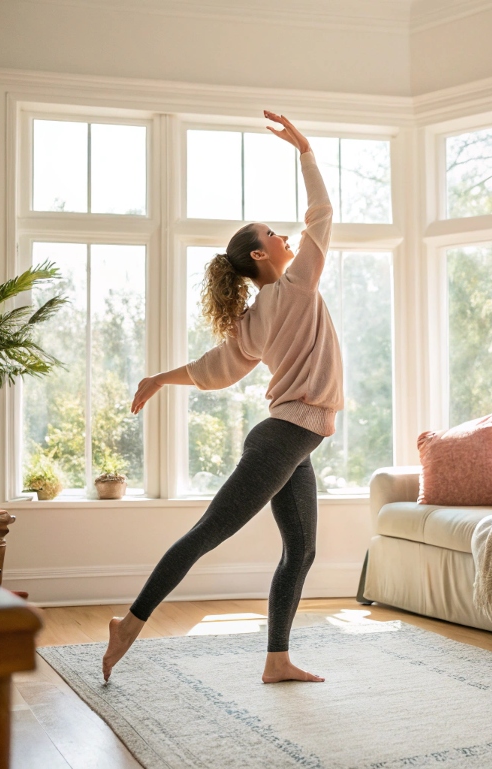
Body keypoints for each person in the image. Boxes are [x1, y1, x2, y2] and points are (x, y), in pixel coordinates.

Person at [102, 111, 343, 684]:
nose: (285, 237)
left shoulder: (253, 319)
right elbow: (322, 213)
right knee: (208, 533)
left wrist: (160, 379)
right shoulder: (296, 284)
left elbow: (213, 371)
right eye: (274, 234)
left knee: (301, 550)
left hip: (294, 438)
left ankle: (277, 659)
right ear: (261, 255)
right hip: (285, 436)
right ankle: (129, 623)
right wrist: (305, 151)